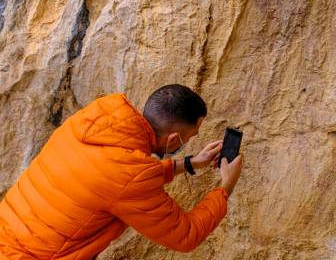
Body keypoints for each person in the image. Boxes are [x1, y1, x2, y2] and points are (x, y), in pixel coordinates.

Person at [0, 84, 244, 259]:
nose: (190, 141)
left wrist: (190, 163)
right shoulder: (129, 175)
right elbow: (186, 235)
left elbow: (111, 178)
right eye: (191, 137)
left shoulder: (94, 120)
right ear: (173, 140)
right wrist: (225, 187)